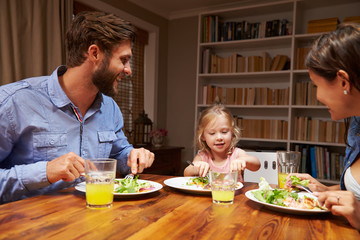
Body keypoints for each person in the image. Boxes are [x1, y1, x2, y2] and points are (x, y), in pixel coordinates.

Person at [0, 11, 154, 204]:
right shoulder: (13, 102)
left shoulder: (110, 108)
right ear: (94, 53)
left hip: (96, 220)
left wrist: (132, 156)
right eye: (123, 60)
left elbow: (117, 153)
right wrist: (44, 172)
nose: (129, 70)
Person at [290, 23, 360, 229]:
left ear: (343, 81)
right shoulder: (356, 125)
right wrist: (325, 190)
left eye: (316, 85)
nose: (317, 96)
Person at [184, 105, 260, 181]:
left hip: (234, 193)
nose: (219, 137)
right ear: (203, 136)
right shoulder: (202, 156)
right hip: (209, 193)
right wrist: (196, 167)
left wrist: (243, 160)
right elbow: (186, 173)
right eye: (212, 133)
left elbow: (257, 165)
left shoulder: (236, 154)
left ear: (232, 133)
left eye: (224, 132)